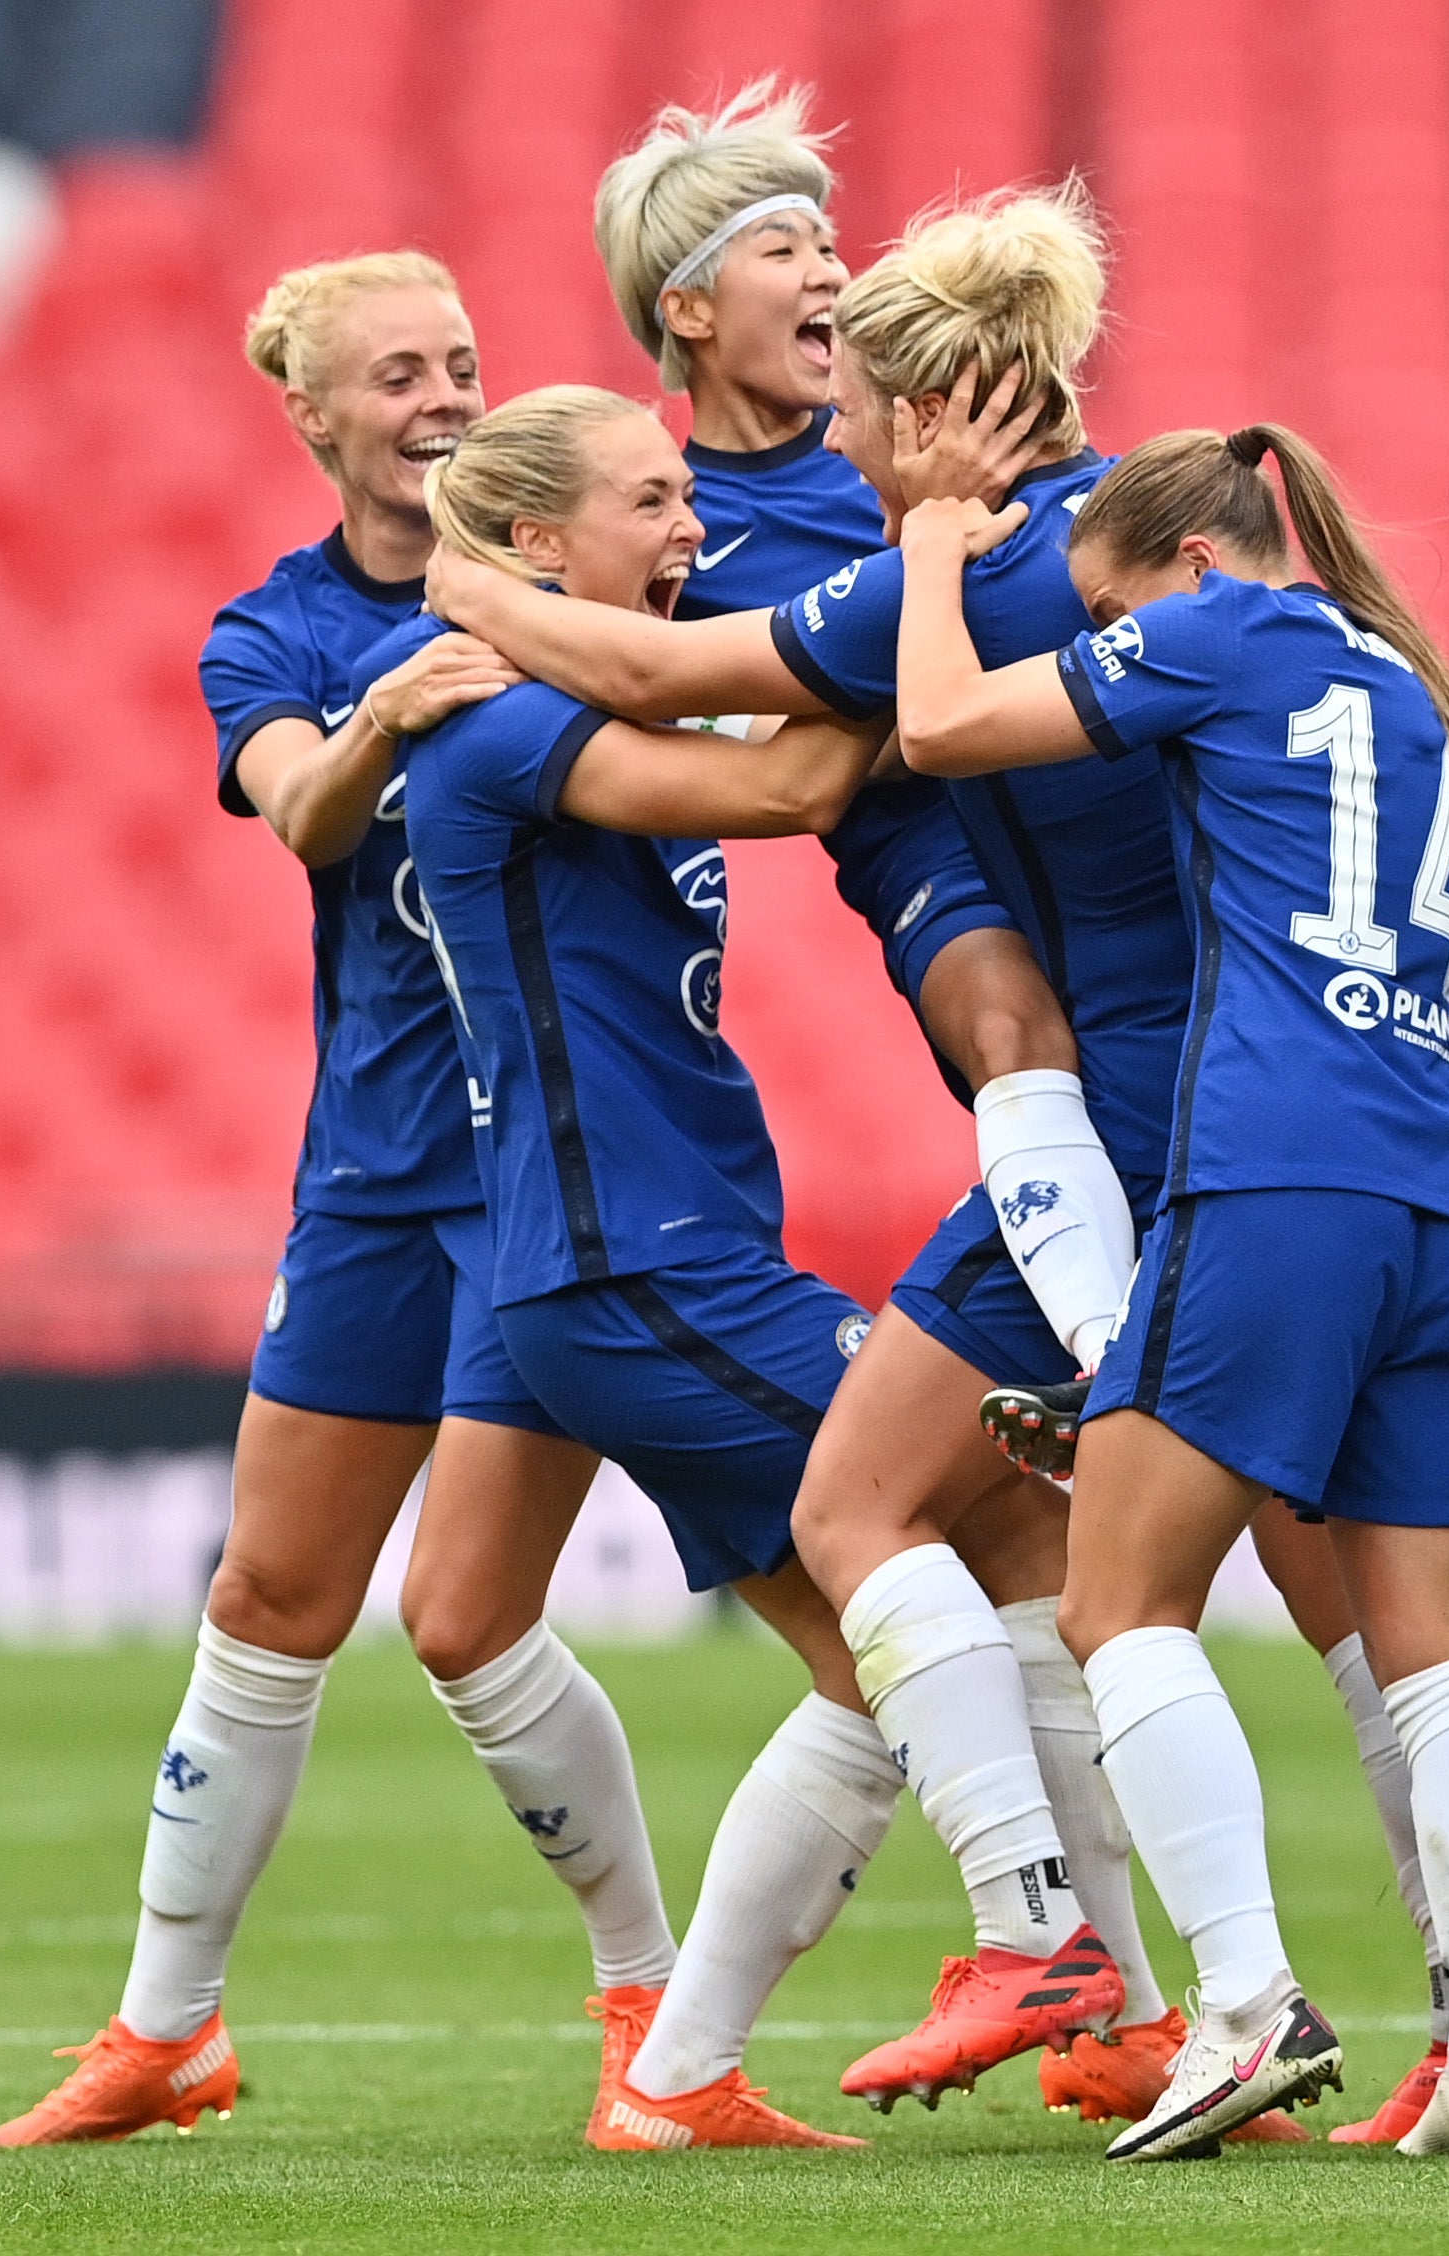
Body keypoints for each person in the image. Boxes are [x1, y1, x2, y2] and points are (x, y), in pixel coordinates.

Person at [432, 191, 1449, 2138]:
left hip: (1169, 1118)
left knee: (871, 1512)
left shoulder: (975, 576)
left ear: (934, 415)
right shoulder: (1290, 625)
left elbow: (684, 693)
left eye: (873, 414)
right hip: (1347, 1117)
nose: (851, 449)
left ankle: (1091, 1947)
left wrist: (463, 594)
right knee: (1374, 1615)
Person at [0, 257, 679, 2148]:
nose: (444, 394)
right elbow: (300, 806)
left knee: (467, 1618)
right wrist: (393, 709)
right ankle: (166, 2026)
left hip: (543, 1165)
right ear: (311, 413)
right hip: (377, 1170)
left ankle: (649, 2002)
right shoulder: (277, 632)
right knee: (272, 1590)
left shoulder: (572, 583)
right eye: (398, 374)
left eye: (463, 358)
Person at [400, 384, 1132, 2152]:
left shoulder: (547, 691)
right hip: (635, 1261)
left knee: (881, 1645)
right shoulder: (505, 722)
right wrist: (941, 588)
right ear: (540, 549)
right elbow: (805, 775)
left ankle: (676, 2076)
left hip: (631, 1254)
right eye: (653, 504)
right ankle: (1048, 1944)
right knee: (977, 1529)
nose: (689, 530)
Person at [580, 116, 1180, 2124]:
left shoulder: (896, 463)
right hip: (930, 829)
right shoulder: (707, 520)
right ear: (689, 307)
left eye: (836, 240)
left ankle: (1067, 1988)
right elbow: (700, 688)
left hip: (1064, 836)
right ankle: (1112, 1992)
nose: (825, 270)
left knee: (964, 1546)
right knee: (1003, 1023)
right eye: (783, 245)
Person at [893, 427, 1449, 2161]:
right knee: (1439, 1647)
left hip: (1277, 1172)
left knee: (1119, 1602)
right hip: (1438, 1197)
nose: (1108, 629)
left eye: (1109, 603)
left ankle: (1246, 2006)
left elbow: (943, 729)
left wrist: (940, 553)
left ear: (1188, 565)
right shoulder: (1413, 689)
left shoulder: (1220, 630)